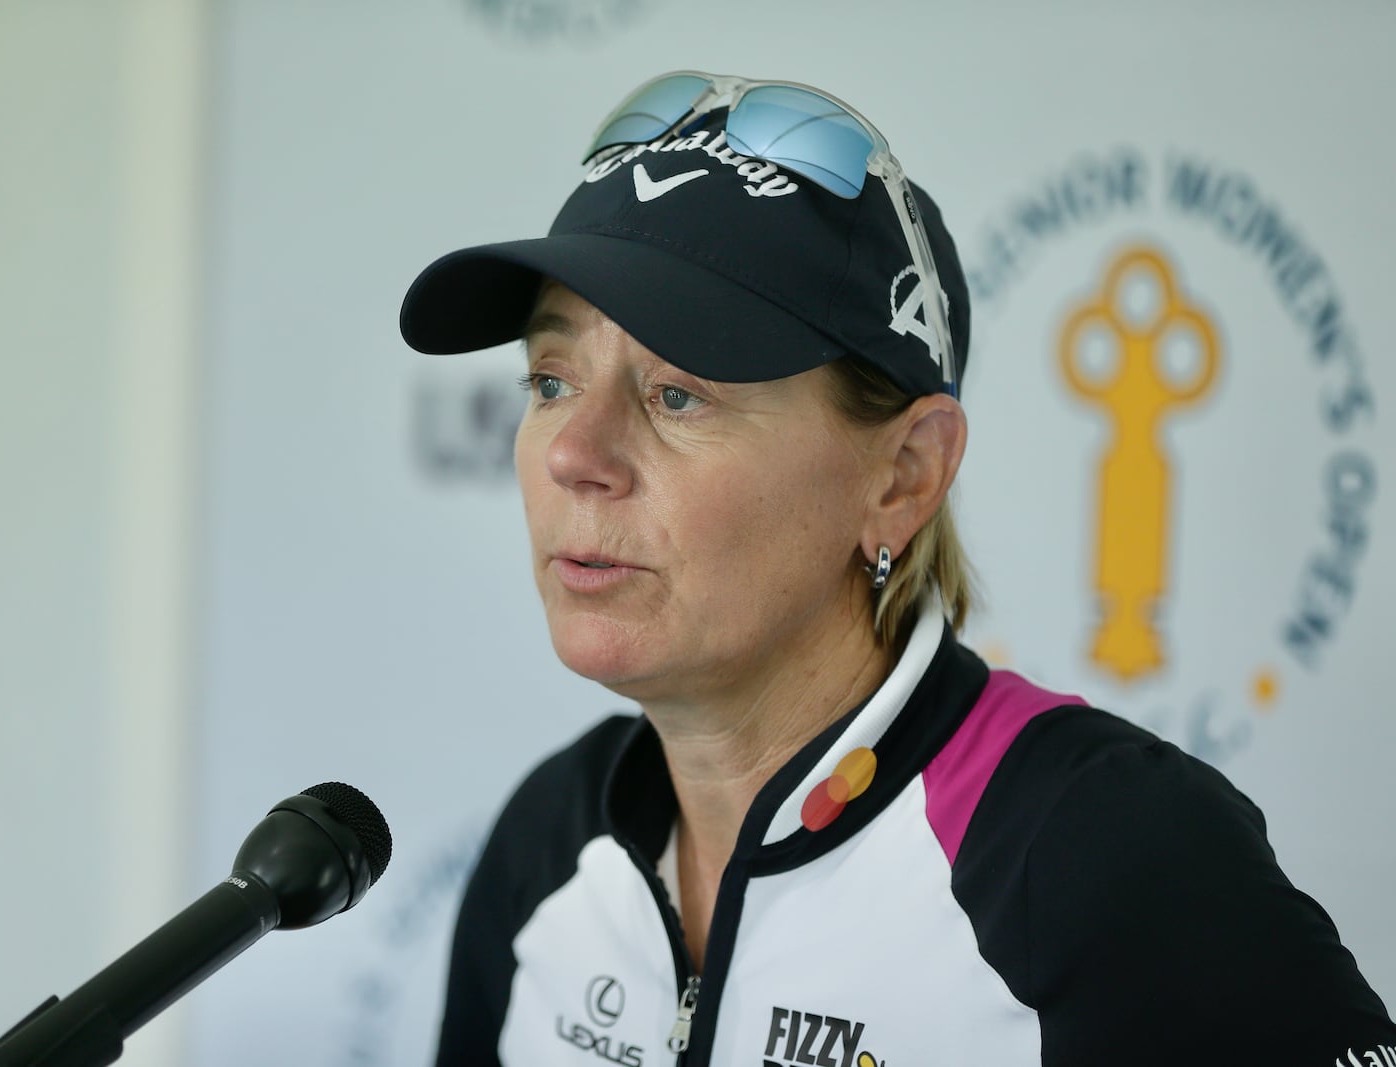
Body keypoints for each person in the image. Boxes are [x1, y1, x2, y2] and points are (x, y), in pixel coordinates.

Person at [398, 71, 1396, 1065]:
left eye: (676, 394)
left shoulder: (1106, 850)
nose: (575, 451)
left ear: (904, 473)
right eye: (550, 377)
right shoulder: (551, 836)